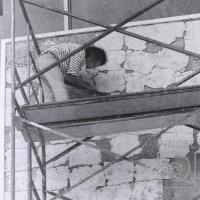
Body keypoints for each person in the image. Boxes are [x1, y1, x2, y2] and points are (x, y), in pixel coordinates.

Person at [37, 43, 107, 102]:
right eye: (95, 65)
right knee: (60, 88)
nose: (93, 68)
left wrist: (85, 87)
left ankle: (51, 115)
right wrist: (87, 87)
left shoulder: (72, 58)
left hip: (42, 60)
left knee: (49, 94)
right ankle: (65, 113)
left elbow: (68, 79)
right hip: (49, 59)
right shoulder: (81, 52)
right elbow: (72, 77)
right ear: (93, 58)